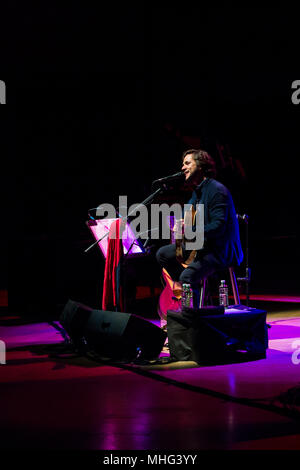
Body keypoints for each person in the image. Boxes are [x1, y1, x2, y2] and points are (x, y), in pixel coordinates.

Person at [156, 148, 244, 309]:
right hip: (202, 247)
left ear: (201, 166)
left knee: (188, 276)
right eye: (183, 164)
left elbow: (218, 227)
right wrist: (180, 227)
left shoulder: (217, 190)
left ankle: (191, 318)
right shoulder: (195, 195)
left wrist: (190, 229)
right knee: (163, 254)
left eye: (187, 163)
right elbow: (186, 224)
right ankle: (183, 285)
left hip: (220, 250)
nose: (182, 168)